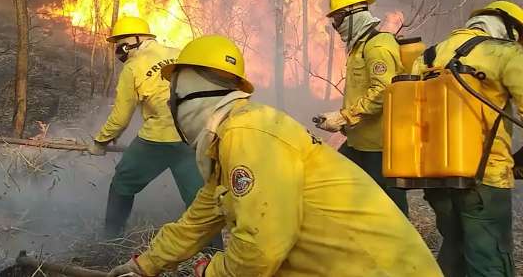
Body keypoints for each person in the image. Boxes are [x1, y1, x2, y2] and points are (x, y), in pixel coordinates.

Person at [108, 35, 442, 277]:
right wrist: (144, 265)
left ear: (189, 93)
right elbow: (195, 222)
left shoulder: (248, 135)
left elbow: (259, 252)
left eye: (174, 95)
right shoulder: (236, 136)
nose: (171, 104)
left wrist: (211, 272)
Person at [411, 1, 523, 277]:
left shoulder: (426, 56)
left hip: (434, 178)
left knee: (455, 249)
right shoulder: (505, 53)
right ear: (510, 28)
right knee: (489, 258)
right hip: (484, 181)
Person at [89, 16, 203, 238]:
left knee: (122, 183)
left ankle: (110, 238)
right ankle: (213, 251)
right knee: (199, 200)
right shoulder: (180, 52)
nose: (118, 51)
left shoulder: (133, 67)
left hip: (158, 140)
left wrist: (100, 141)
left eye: (119, 44)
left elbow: (120, 117)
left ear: (131, 41)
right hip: (194, 136)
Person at [315, 0, 408, 215]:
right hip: (359, 144)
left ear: (353, 14)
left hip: (380, 149)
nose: (335, 26)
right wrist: (340, 121)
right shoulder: (360, 46)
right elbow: (362, 91)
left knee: (391, 213)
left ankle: (404, 249)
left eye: (337, 18)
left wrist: (344, 117)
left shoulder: (378, 45)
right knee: (344, 198)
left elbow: (384, 91)